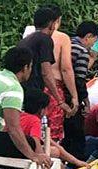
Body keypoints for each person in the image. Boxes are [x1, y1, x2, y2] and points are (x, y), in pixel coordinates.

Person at [0, 47, 52, 169]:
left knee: (13, 143)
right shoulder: (13, 88)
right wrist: (33, 156)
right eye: (30, 66)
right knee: (29, 143)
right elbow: (13, 128)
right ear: (25, 67)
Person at [17, 7, 71, 139]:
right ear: (52, 24)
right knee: (38, 127)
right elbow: (46, 72)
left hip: (22, 89)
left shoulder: (26, 39)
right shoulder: (45, 39)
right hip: (33, 90)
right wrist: (59, 100)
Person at [20, 88, 90, 169]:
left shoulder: (18, 116)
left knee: (58, 150)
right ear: (41, 109)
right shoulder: (35, 121)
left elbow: (50, 142)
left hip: (18, 150)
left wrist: (76, 162)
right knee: (55, 152)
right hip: (27, 153)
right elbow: (36, 141)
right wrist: (40, 158)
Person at [63, 21, 98, 161]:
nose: (92, 46)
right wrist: (85, 101)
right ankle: (76, 163)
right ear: (89, 36)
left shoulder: (65, 44)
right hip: (70, 96)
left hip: (57, 94)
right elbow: (79, 79)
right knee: (76, 132)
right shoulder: (82, 51)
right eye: (93, 42)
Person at [45, 5, 79, 141]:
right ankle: (54, 159)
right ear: (57, 20)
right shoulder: (62, 38)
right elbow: (66, 69)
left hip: (34, 87)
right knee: (53, 131)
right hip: (54, 87)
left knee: (36, 126)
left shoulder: (30, 36)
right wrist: (74, 96)